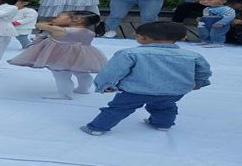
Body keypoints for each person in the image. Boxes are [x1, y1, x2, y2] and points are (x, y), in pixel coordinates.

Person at [81, 22, 212, 135]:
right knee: (165, 107)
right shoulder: (193, 55)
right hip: (173, 92)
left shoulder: (129, 53)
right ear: (183, 38)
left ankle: (97, 128)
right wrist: (199, 83)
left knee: (119, 109)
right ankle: (163, 124)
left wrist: (104, 85)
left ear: (143, 38)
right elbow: (203, 71)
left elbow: (112, 71)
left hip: (135, 91)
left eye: (137, 36)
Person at [8, 11, 107, 99]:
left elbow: (39, 25)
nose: (54, 19)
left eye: (58, 17)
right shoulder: (90, 32)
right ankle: (83, 89)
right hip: (81, 56)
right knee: (81, 72)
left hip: (60, 56)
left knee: (61, 75)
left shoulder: (61, 30)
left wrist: (49, 24)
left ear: (77, 19)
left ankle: (65, 94)